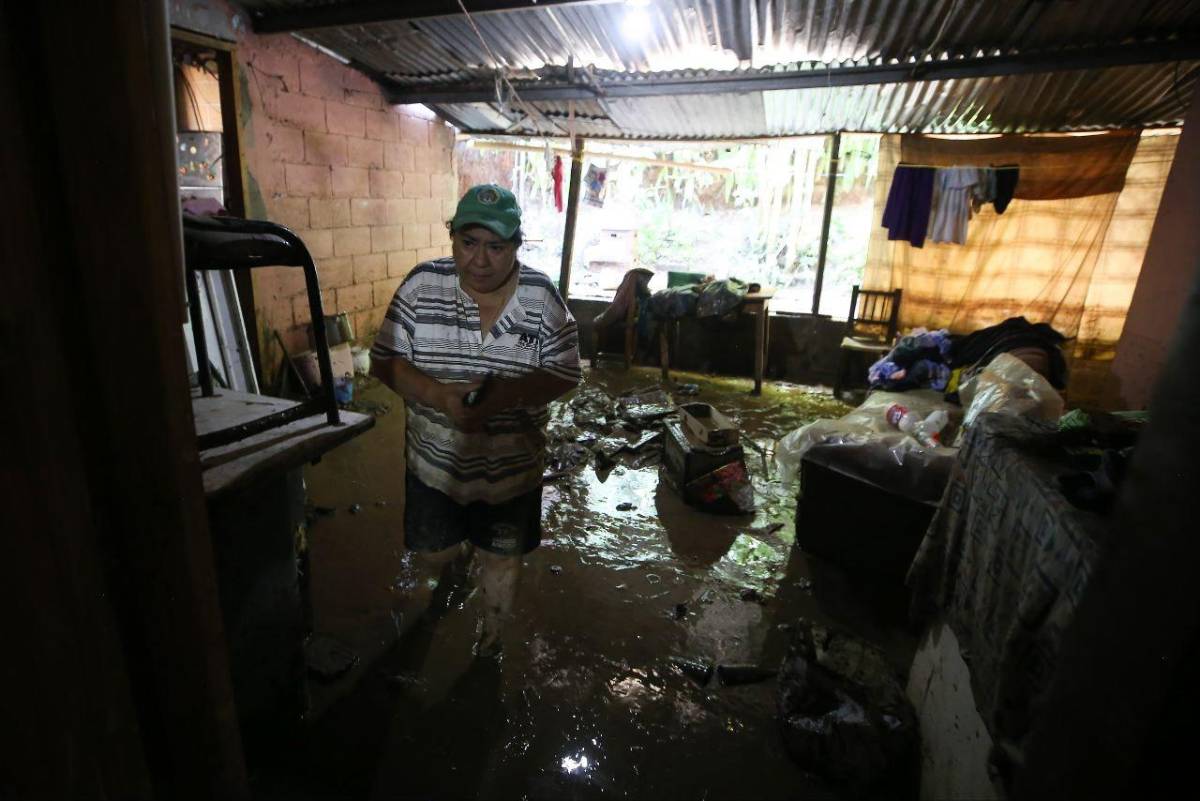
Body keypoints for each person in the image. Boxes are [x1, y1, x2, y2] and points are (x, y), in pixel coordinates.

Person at [370, 184, 581, 656]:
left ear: (516, 246)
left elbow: (566, 373)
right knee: (434, 553)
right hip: (434, 466)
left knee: (502, 560)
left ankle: (491, 641)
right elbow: (383, 361)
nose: (479, 260)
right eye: (469, 243)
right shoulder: (422, 286)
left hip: (511, 473)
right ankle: (455, 556)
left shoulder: (541, 297)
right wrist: (438, 396)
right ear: (453, 238)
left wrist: (506, 396)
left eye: (496, 246)